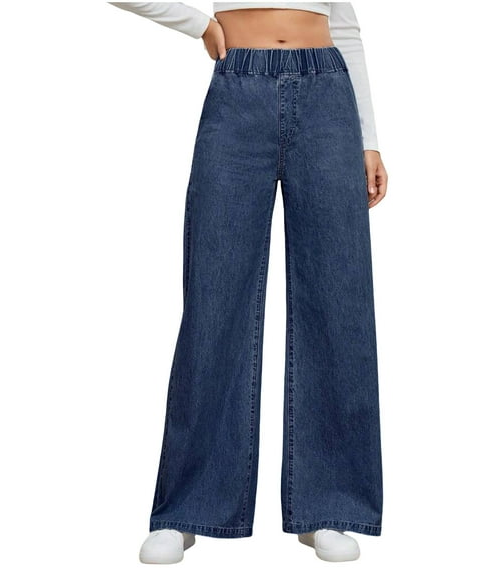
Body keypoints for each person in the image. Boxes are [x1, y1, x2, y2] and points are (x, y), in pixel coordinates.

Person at [108, 1, 388, 564]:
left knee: (339, 297)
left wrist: (368, 139)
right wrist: (199, 25)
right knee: (215, 297)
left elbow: (346, 28)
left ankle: (329, 506)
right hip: (239, 92)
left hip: (328, 94)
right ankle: (188, 508)